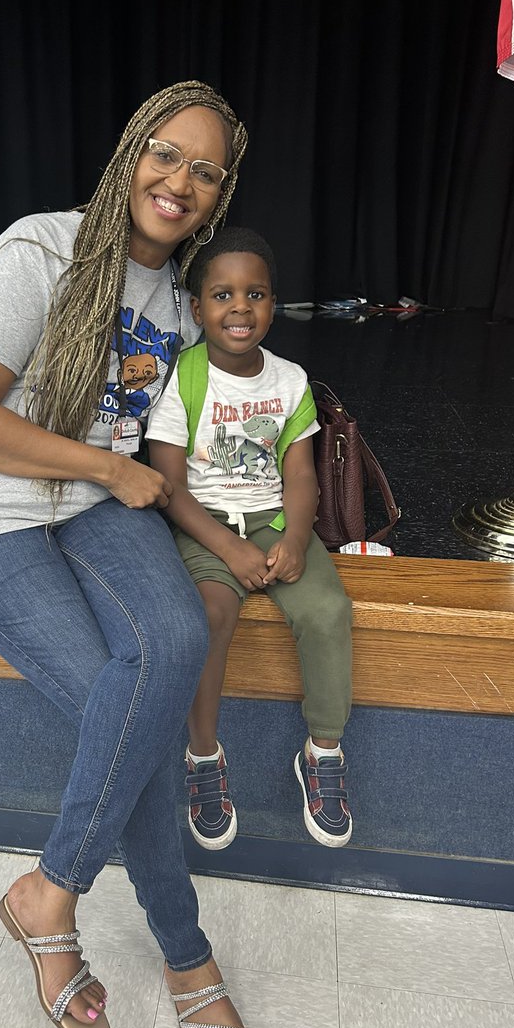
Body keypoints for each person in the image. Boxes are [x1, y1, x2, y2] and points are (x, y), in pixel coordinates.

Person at [0, 82, 256, 1028]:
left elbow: (161, 443)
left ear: (220, 193)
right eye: (164, 154)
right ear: (129, 156)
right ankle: (186, 953)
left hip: (95, 507)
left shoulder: (179, 302)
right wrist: (109, 468)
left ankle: (47, 894)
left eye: (205, 170)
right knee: (140, 723)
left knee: (169, 651)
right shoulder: (40, 252)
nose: (178, 181)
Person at [147, 227, 354, 853]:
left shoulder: (291, 380)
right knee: (209, 615)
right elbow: (170, 487)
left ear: (273, 302)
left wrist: (293, 538)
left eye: (255, 293)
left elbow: (301, 471)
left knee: (328, 610)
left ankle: (323, 750)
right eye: (222, 294)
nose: (240, 308)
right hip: (204, 522)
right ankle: (203, 757)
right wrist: (230, 550)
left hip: (272, 519)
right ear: (197, 304)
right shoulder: (180, 378)